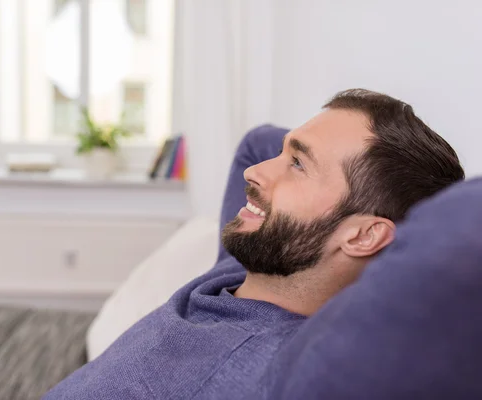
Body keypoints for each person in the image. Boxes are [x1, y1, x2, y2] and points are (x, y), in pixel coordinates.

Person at [43, 89, 464, 400]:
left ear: (362, 234)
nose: (257, 171)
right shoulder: (244, 264)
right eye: (284, 154)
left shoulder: (275, 370)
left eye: (297, 164)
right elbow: (257, 142)